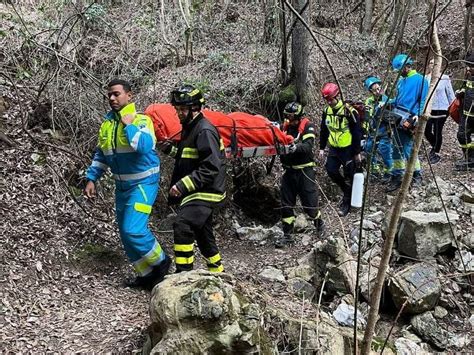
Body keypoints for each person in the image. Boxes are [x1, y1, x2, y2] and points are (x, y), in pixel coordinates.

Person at [84, 79, 170, 290]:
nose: (112, 98)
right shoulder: (107, 124)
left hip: (143, 184)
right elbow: (102, 154)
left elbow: (144, 146)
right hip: (122, 187)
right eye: (109, 95)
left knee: (134, 230)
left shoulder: (141, 120)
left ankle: (162, 262)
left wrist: (129, 124)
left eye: (116, 94)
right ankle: (146, 276)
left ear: (129, 96)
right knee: (125, 233)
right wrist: (92, 178)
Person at [163, 84, 226, 273]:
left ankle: (183, 275)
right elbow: (190, 157)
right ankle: (218, 273)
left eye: (183, 109)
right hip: (199, 189)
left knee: (183, 225)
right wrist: (169, 149)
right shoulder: (190, 127)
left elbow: (210, 167)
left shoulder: (204, 130)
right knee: (203, 233)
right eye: (177, 109)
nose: (179, 113)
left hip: (207, 191)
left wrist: (182, 185)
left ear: (195, 108)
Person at [275, 102, 325, 248]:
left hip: (305, 171)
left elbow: (308, 146)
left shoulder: (307, 126)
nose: (288, 117)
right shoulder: (285, 127)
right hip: (289, 171)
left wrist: (296, 147)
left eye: (290, 115)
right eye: (287, 115)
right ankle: (288, 235)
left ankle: (319, 224)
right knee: (286, 204)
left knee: (310, 206)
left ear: (297, 115)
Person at [386, 54, 428, 192]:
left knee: (407, 148)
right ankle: (397, 176)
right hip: (397, 116)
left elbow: (423, 101)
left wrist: (417, 116)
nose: (399, 73)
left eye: (400, 70)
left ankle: (416, 175)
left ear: (406, 66)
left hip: (410, 117)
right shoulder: (401, 81)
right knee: (396, 147)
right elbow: (398, 100)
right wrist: (387, 103)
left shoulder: (420, 80)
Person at [319, 83, 362, 217]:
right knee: (331, 170)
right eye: (327, 100)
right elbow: (324, 130)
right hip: (334, 148)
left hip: (348, 148)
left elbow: (356, 132)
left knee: (349, 175)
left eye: (331, 99)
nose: (329, 102)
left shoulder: (349, 111)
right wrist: (321, 147)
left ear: (337, 96)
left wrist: (357, 152)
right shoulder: (327, 111)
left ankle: (347, 202)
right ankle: (346, 189)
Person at [424, 58, 455, 164]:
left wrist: (454, 108)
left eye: (435, 63)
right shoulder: (425, 78)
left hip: (442, 108)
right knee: (426, 130)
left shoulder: (444, 78)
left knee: (438, 130)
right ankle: (435, 145)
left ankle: (435, 152)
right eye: (431, 63)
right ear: (428, 65)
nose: (433, 65)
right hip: (429, 108)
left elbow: (451, 94)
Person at [363, 76, 393, 182]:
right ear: (370, 91)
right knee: (369, 149)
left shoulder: (387, 100)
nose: (377, 91)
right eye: (374, 89)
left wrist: (385, 105)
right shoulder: (369, 101)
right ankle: (374, 171)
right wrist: (365, 131)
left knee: (385, 151)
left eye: (378, 88)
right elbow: (367, 117)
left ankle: (388, 172)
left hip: (385, 131)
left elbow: (392, 114)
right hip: (373, 131)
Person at [454, 53, 474, 170]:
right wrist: (460, 92)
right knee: (461, 135)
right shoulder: (468, 77)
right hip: (466, 115)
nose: (468, 68)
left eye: (471, 66)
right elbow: (464, 88)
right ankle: (470, 158)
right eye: (468, 66)